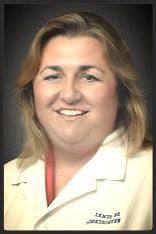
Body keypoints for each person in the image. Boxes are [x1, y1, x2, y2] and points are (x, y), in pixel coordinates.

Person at [4, 11, 152, 231]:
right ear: (32, 91)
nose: (69, 95)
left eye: (89, 76)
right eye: (53, 76)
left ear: (121, 92)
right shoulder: (7, 177)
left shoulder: (149, 175)